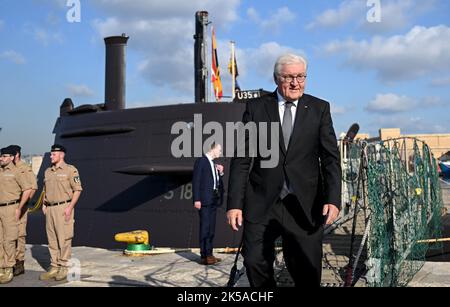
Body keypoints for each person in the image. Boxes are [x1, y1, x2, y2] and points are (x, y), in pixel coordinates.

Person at [227, 53, 341, 287]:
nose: (295, 83)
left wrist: (333, 199)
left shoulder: (319, 108)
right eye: (288, 77)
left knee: (307, 270)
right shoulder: (256, 108)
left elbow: (330, 159)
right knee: (254, 261)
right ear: (276, 78)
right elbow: (242, 159)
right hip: (262, 202)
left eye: (300, 76)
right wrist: (234, 204)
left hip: (305, 205)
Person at [39, 144, 82, 281]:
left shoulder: (70, 170)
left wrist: (69, 208)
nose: (51, 156)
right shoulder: (47, 171)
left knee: (64, 239)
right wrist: (44, 204)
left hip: (63, 208)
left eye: (54, 154)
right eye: (51, 154)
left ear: (62, 155)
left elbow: (78, 190)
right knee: (52, 239)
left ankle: (64, 266)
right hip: (50, 209)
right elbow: (46, 189)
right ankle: (54, 266)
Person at [0, 147, 33, 284]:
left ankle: (8, 268)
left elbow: (27, 189)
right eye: (1, 156)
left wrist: (20, 207)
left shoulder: (17, 171)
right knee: (0, 239)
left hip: (11, 207)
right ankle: (1, 266)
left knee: (9, 239)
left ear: (12, 157)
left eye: (4, 156)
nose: (1, 158)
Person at [7, 145, 38, 276]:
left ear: (17, 155)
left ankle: (19, 263)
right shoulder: (7, 169)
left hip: (20, 207)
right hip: (8, 208)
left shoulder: (25, 168)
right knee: (7, 236)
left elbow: (33, 188)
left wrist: (23, 204)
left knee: (19, 235)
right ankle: (8, 262)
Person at [192, 143, 224, 265]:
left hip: (213, 200)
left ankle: (210, 253)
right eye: (219, 150)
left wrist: (220, 173)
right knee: (205, 227)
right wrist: (196, 199)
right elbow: (196, 180)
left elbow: (216, 182)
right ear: (213, 148)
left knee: (211, 228)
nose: (220, 153)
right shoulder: (201, 161)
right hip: (204, 201)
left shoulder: (213, 164)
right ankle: (204, 255)